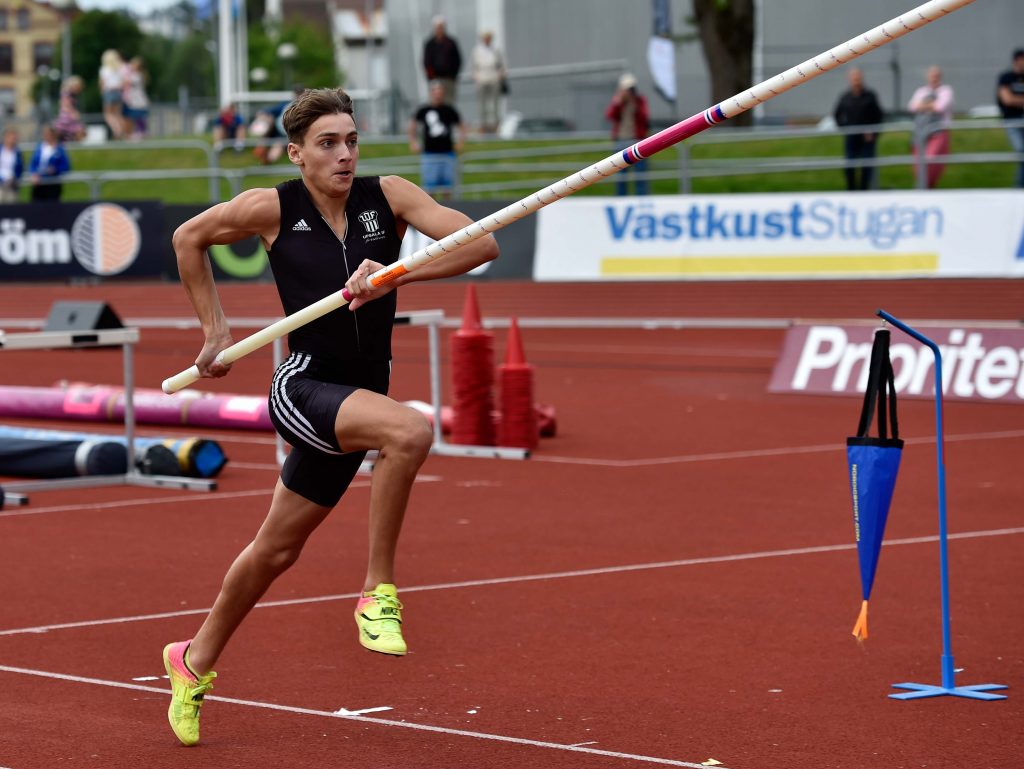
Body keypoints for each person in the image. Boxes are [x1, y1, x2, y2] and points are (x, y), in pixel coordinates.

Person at [162, 87, 498, 747]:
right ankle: (378, 591)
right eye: (327, 144)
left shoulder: (390, 196)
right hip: (305, 384)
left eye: (350, 141)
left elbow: (480, 245)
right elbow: (188, 237)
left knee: (276, 549)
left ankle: (191, 659)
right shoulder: (272, 207)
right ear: (297, 154)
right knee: (410, 431)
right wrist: (214, 329)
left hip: (361, 391)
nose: (344, 155)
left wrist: (398, 273)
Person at [409, 80, 464, 200]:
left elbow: (461, 126)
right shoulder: (424, 110)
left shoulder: (449, 110)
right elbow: (412, 125)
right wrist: (413, 142)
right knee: (429, 189)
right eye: (435, 92)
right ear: (431, 93)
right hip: (429, 154)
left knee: (447, 188)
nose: (437, 94)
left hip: (447, 154)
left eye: (440, 92)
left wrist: (460, 143)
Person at [833, 67, 884, 191]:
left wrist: (873, 132)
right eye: (854, 78)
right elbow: (837, 115)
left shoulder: (870, 96)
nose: (856, 80)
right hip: (851, 137)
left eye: (858, 78)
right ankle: (851, 190)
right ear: (850, 80)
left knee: (867, 165)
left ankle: (864, 190)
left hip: (867, 138)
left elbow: (879, 115)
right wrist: (845, 129)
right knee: (849, 165)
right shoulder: (845, 97)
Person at [907, 65, 953, 189]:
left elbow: (940, 107)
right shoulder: (921, 91)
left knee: (931, 162)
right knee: (918, 165)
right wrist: (930, 104)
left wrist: (923, 104)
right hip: (920, 132)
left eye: (936, 76)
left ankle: (922, 188)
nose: (934, 78)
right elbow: (912, 107)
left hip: (938, 132)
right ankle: (924, 189)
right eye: (932, 75)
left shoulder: (945, 90)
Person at [605, 73, 650, 196]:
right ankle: (621, 200)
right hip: (621, 141)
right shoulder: (619, 102)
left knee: (640, 175)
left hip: (638, 141)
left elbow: (644, 117)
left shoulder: (640, 101)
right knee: (621, 176)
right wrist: (618, 103)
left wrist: (634, 103)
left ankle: (642, 200)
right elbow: (610, 116)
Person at [996, 48, 1024, 187]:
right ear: (1017, 60)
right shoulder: (1006, 77)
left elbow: (1013, 99)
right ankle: (1019, 189)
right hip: (1012, 120)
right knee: (1021, 151)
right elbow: (1007, 99)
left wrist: (1016, 99)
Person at [422, 15, 462, 105]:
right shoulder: (430, 43)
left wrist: (452, 75)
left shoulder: (451, 42)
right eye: (437, 27)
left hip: (449, 79)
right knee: (435, 104)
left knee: (449, 102)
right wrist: (431, 77)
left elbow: (457, 60)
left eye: (441, 26)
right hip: (435, 78)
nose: (439, 29)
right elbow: (426, 61)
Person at [471, 30, 505, 133]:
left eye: (488, 37)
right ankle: (483, 124)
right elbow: (473, 66)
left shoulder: (496, 50)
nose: (487, 40)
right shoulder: (477, 50)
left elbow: (502, 64)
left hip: (494, 78)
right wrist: (476, 76)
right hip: (482, 79)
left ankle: (496, 124)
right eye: (485, 38)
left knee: (495, 103)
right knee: (482, 104)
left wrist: (500, 75)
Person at [28, 124, 71, 203]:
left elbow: (66, 166)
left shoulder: (59, 149)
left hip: (53, 183)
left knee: (52, 205)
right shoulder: (40, 148)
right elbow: (33, 164)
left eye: (48, 134)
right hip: (39, 182)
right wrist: (33, 173)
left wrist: (55, 170)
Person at [99, 49, 127, 140]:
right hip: (118, 91)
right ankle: (123, 132)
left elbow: (102, 84)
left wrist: (102, 92)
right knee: (118, 114)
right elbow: (123, 82)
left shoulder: (104, 69)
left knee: (108, 114)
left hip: (109, 91)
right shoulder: (120, 68)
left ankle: (117, 131)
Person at [122, 57, 150, 140]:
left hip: (138, 100)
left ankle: (141, 132)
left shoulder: (136, 75)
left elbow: (126, 82)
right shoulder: (137, 75)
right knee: (137, 117)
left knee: (138, 116)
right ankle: (141, 131)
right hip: (135, 99)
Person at [52, 76, 86, 143]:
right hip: (67, 118)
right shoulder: (66, 93)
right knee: (79, 131)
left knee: (67, 136)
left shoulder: (68, 93)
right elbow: (66, 105)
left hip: (66, 117)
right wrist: (74, 113)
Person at [0, 128, 24, 203]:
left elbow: (20, 168)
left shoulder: (17, 152)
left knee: (11, 208)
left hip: (12, 185)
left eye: (15, 138)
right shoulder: (1, 150)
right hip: (0, 183)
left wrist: (15, 178)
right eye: (12, 138)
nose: (13, 140)